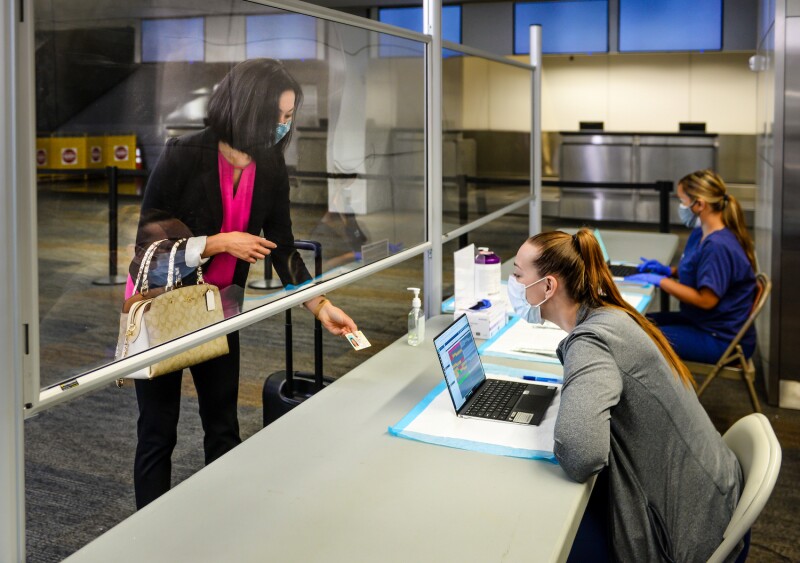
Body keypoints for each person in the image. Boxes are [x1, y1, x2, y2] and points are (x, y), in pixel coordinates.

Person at [126, 58, 357, 509]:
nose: (282, 127)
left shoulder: (270, 168)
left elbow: (284, 249)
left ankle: (223, 524)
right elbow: (147, 244)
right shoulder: (184, 155)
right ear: (247, 108)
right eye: (276, 116)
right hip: (161, 308)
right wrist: (217, 243)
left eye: (289, 117)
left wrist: (320, 305)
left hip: (218, 312)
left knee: (223, 427)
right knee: (158, 433)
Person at [508, 229, 745, 562]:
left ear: (548, 286)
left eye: (518, 274)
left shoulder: (592, 342)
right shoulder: (611, 314)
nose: (513, 283)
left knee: (544, 536)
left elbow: (581, 456)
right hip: (711, 501)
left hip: (689, 535)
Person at [626, 170, 757, 364]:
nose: (682, 207)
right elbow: (701, 272)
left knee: (636, 339)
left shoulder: (718, 246)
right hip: (702, 321)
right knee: (632, 323)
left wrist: (662, 281)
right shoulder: (701, 233)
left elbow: (706, 300)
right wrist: (668, 271)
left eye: (683, 201)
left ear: (700, 204)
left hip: (720, 337)